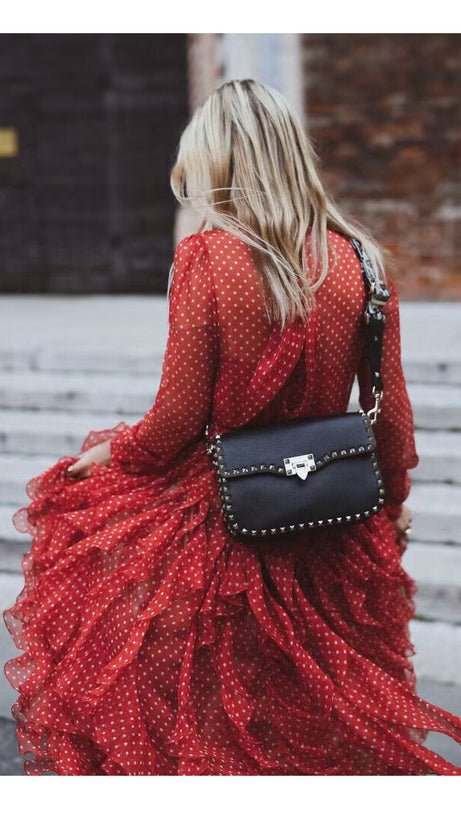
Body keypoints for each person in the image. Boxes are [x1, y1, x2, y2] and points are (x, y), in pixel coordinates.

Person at [4, 78, 461, 776]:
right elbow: (390, 419)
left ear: (218, 161)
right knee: (315, 727)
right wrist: (389, 506)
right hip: (332, 524)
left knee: (213, 725)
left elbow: (176, 420)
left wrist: (106, 453)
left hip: (224, 517)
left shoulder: (207, 257)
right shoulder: (361, 260)